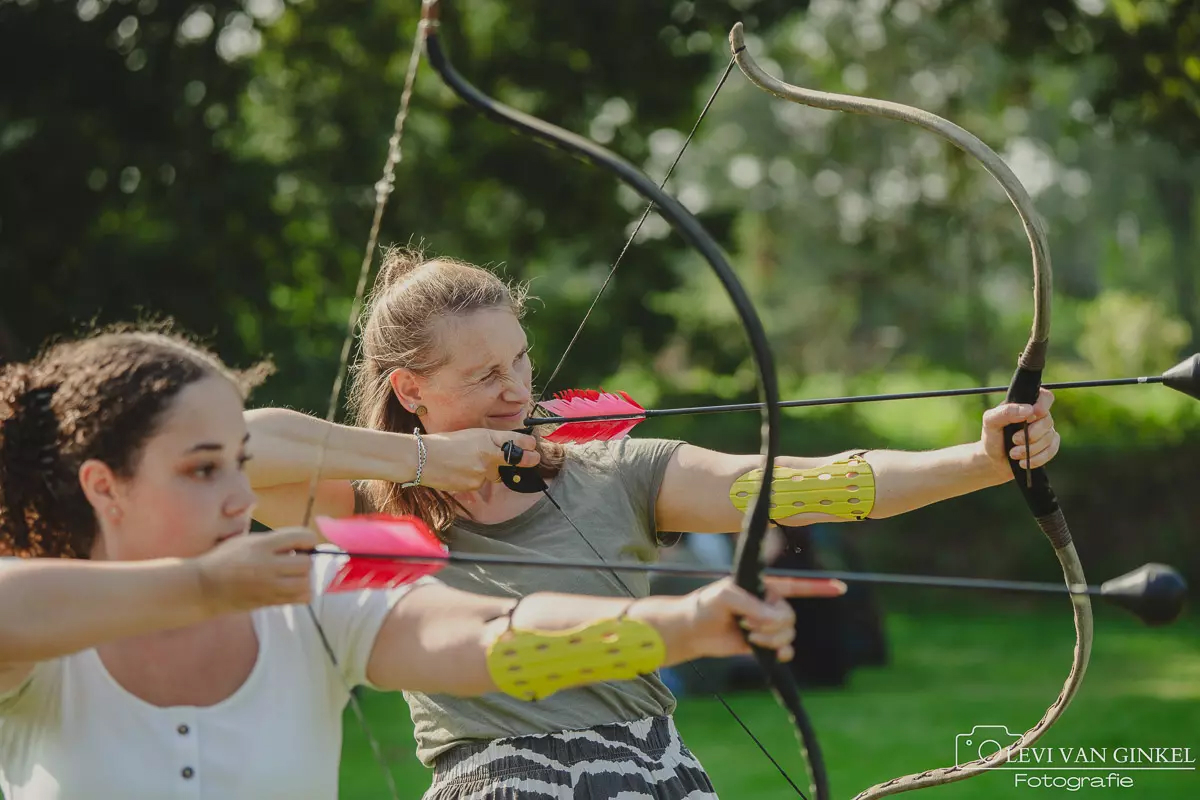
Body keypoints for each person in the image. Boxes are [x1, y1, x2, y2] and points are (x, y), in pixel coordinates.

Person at [246, 246, 1063, 800]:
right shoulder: (368, 512)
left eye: (522, 358)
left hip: (650, 774)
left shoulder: (616, 474)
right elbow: (241, 448)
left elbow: (801, 486)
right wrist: (423, 464)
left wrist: (986, 460)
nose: (517, 389)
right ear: (410, 391)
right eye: (485, 373)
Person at [0, 326, 827, 800]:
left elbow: (491, 637)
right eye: (203, 468)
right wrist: (203, 587)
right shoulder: (44, 633)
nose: (238, 492)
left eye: (238, 462)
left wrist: (677, 624)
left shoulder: (311, 584)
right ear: (105, 486)